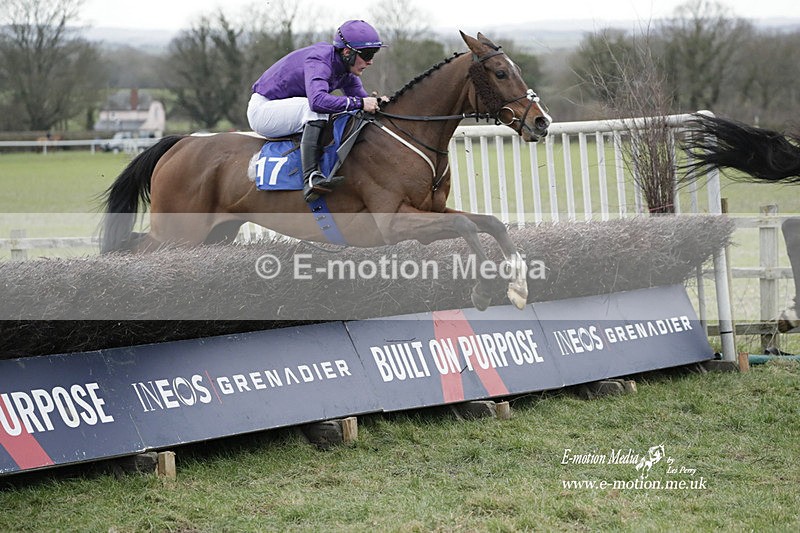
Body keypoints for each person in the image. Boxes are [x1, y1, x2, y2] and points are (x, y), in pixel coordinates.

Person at [247, 20, 387, 202]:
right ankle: (311, 178)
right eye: (367, 54)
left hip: (287, 110)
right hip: (263, 111)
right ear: (347, 52)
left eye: (373, 54)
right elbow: (318, 102)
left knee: (350, 111)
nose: (370, 61)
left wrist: (378, 103)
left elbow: (362, 104)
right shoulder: (320, 60)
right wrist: (360, 102)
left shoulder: (347, 70)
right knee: (315, 109)